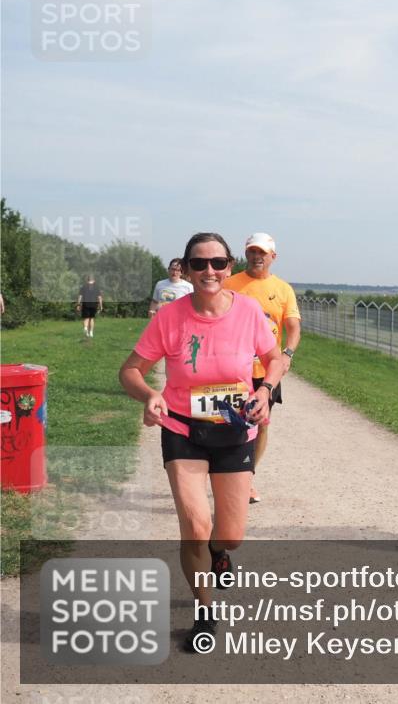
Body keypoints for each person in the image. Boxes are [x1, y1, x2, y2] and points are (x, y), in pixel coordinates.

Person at [119, 233, 284, 652]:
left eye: (217, 263)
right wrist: (150, 395)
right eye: (199, 264)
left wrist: (264, 392)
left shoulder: (248, 311)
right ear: (187, 269)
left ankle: (219, 550)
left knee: (229, 536)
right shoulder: (169, 317)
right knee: (194, 526)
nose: (209, 271)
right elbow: (131, 370)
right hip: (182, 429)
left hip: (234, 431)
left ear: (229, 267)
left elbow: (274, 358)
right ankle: (205, 612)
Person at [223, 233, 300, 505]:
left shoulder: (283, 290)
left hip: (266, 369)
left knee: (261, 424)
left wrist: (288, 354)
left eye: (262, 253)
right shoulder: (229, 284)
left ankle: (247, 478)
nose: (257, 257)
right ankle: (226, 474)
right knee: (231, 423)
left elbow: (293, 327)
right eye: (252, 252)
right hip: (233, 368)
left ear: (273, 257)